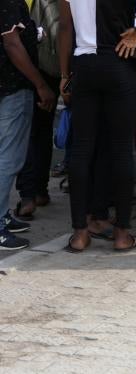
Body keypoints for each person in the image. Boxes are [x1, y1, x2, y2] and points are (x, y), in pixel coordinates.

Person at [59, 0, 136, 252]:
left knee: (81, 149)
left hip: (84, 66)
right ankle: (122, 234)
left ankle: (79, 233)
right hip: (119, 63)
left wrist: (65, 75)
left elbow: (65, 28)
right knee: (122, 149)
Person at [0, 0, 55, 250]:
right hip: (12, 86)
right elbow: (12, 43)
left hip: (9, 87)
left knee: (9, 156)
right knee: (8, 159)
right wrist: (40, 84)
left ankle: (3, 215)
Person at [15, 0, 61, 221]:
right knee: (41, 130)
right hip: (54, 64)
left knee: (32, 131)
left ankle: (29, 194)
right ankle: (37, 191)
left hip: (34, 66)